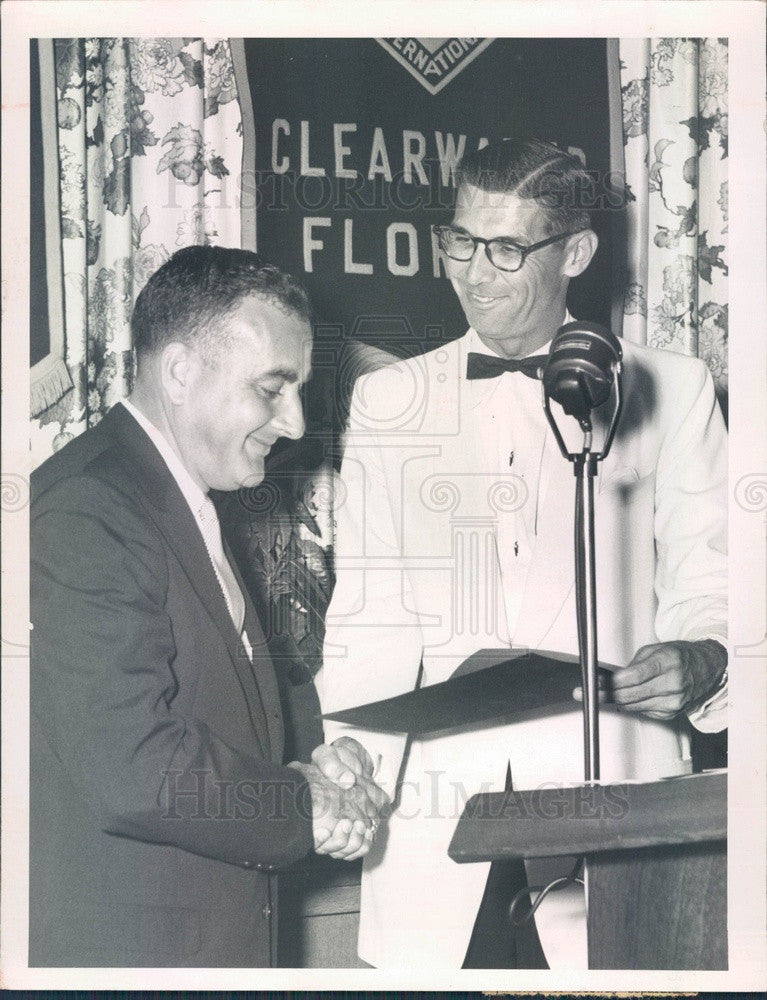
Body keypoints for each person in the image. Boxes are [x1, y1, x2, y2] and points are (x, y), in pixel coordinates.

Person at [318, 138, 728, 969]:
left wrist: (702, 657)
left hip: (616, 804)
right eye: (459, 243)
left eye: (506, 249)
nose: (474, 273)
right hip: (438, 826)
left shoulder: (674, 388)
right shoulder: (387, 399)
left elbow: (712, 577)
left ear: (575, 251)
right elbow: (368, 613)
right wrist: (353, 762)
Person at [29, 245, 387, 968]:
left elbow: (222, 704)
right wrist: (304, 805)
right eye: (271, 388)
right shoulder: (86, 507)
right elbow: (131, 763)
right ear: (180, 371)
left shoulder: (182, 500)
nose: (293, 422)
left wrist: (317, 755)